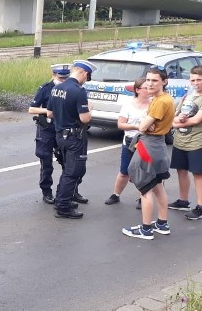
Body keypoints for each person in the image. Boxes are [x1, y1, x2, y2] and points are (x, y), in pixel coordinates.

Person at [122, 66, 174, 240]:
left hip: (149, 146)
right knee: (158, 186)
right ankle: (162, 223)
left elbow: (144, 127)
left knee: (145, 188)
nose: (150, 83)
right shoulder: (166, 98)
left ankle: (146, 229)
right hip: (158, 146)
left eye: (155, 80)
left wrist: (144, 123)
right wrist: (146, 122)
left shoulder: (159, 101)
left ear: (164, 82)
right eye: (148, 80)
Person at [46, 60, 94, 219]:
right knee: (73, 172)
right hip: (74, 137)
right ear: (84, 74)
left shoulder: (56, 88)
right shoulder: (79, 91)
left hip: (60, 135)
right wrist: (90, 109)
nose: (86, 80)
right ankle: (63, 206)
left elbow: (50, 114)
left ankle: (62, 199)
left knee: (67, 170)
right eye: (87, 77)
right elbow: (85, 119)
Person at [28, 63, 71, 204]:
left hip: (62, 129)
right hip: (46, 129)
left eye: (66, 78)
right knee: (46, 162)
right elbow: (32, 109)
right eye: (60, 78)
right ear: (53, 75)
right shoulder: (45, 89)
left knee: (68, 162)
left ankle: (71, 191)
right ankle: (46, 192)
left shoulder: (70, 88)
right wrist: (48, 111)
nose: (63, 80)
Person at [104, 77, 151, 205]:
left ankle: (143, 198)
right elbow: (120, 124)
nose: (149, 90)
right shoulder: (128, 105)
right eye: (146, 88)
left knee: (144, 172)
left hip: (146, 142)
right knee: (124, 171)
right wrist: (137, 127)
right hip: (130, 141)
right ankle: (116, 194)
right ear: (137, 90)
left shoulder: (154, 104)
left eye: (150, 87)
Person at [168, 65, 202, 220]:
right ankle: (183, 201)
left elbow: (196, 120)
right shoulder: (187, 96)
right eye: (193, 79)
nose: (196, 83)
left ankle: (200, 207)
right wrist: (177, 120)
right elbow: (175, 114)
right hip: (180, 141)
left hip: (197, 142)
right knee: (181, 170)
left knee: (198, 174)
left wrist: (176, 124)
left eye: (199, 80)